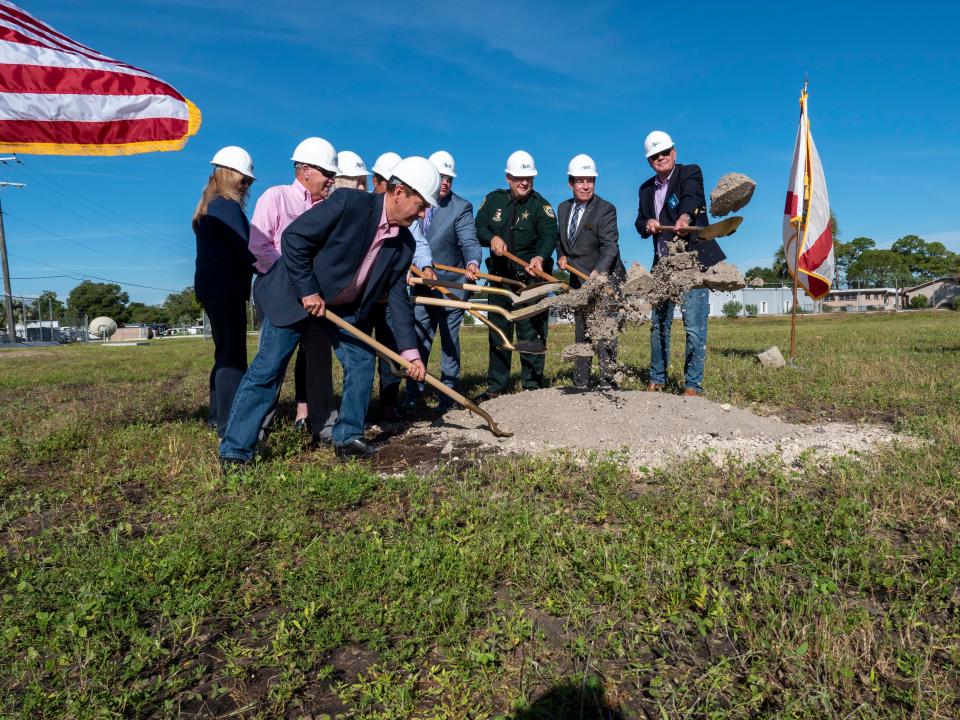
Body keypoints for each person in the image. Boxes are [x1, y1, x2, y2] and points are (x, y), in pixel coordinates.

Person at [219, 157, 439, 465]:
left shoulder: (403, 244)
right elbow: (293, 239)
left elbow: (397, 296)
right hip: (295, 296)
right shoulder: (350, 203)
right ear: (399, 191)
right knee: (268, 370)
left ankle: (347, 436)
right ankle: (235, 450)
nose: (422, 213)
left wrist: (410, 352)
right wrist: (308, 290)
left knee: (362, 360)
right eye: (420, 204)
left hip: (341, 308)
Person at [248, 137, 338, 432]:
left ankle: (321, 424)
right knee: (271, 363)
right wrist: (293, 282)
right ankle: (257, 427)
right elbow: (259, 247)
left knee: (319, 360)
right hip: (278, 295)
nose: (332, 180)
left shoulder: (327, 208)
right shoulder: (277, 198)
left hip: (314, 297)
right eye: (328, 173)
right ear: (306, 170)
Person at [634, 131, 726, 396]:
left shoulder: (689, 173)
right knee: (658, 324)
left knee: (694, 327)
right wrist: (648, 224)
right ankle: (657, 377)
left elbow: (692, 197)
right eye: (654, 156)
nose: (660, 158)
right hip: (663, 265)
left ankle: (692, 384)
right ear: (649, 161)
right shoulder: (645, 189)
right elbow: (639, 221)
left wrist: (685, 218)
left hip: (692, 263)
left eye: (664, 153)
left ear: (674, 152)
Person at [474, 150, 557, 400]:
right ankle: (496, 387)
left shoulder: (540, 206)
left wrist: (540, 257)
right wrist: (492, 238)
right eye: (519, 177)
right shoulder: (493, 201)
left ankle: (532, 388)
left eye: (529, 177)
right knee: (498, 332)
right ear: (508, 177)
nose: (524, 182)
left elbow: (549, 235)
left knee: (530, 333)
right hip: (499, 280)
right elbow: (480, 226)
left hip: (529, 281)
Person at [404, 151, 482, 412]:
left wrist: (472, 262)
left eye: (449, 178)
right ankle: (414, 395)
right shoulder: (415, 202)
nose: (446, 182)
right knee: (419, 339)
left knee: (449, 341)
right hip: (422, 285)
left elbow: (469, 240)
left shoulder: (460, 207)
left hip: (451, 288)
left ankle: (448, 395)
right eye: (441, 177)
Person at [192, 146, 256, 438]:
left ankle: (217, 414)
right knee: (233, 354)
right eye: (244, 180)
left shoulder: (210, 205)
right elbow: (248, 251)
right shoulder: (226, 207)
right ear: (230, 176)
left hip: (212, 287)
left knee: (223, 351)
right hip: (226, 288)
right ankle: (229, 422)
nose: (247, 186)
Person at [366, 151, 434, 420]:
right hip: (363, 297)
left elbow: (417, 244)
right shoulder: (366, 210)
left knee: (392, 348)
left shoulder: (408, 221)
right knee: (360, 358)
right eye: (385, 181)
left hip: (389, 295)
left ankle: (389, 402)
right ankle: (355, 411)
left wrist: (423, 266)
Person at [556, 154, 626, 389]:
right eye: (580, 181)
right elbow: (562, 240)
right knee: (582, 331)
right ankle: (582, 383)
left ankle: (608, 382)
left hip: (605, 277)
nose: (585, 186)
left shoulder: (605, 209)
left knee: (605, 332)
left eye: (590, 180)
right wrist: (561, 255)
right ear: (570, 183)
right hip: (579, 279)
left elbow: (610, 247)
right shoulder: (563, 208)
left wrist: (598, 272)